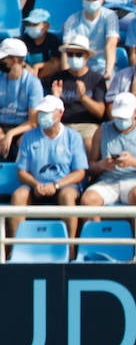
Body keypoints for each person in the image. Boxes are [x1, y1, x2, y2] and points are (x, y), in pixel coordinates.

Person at [9, 94, 85, 240]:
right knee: (19, 195)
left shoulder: (73, 137)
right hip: (35, 186)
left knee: (67, 196)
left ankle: (70, 247)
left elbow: (80, 172)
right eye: (42, 112)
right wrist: (36, 185)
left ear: (60, 113)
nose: (43, 116)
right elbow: (22, 172)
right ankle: (15, 246)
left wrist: (56, 185)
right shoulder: (28, 137)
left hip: (63, 185)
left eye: (48, 112)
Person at [81, 91, 136, 208]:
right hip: (107, 181)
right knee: (88, 200)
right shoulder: (102, 130)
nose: (121, 120)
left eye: (124, 116)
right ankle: (98, 227)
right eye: (118, 116)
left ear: (135, 113)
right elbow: (91, 167)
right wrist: (102, 165)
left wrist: (133, 162)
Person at [42, 33, 106, 140]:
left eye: (78, 55)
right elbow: (48, 113)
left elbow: (100, 113)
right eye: (70, 54)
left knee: (89, 142)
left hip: (87, 126)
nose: (74, 58)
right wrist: (55, 99)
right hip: (62, 125)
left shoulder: (97, 79)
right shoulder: (58, 78)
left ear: (87, 56)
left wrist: (83, 98)